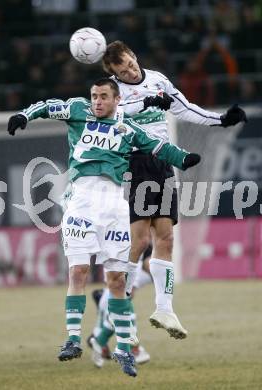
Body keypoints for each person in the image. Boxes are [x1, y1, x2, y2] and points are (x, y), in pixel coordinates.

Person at [7, 78, 201, 377]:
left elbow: (157, 145)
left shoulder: (127, 127)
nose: (96, 101)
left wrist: (183, 158)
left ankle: (124, 349)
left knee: (117, 280)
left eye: (103, 97)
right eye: (94, 96)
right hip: (81, 201)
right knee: (79, 270)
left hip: (113, 205)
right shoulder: (76, 110)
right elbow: (46, 106)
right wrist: (24, 115)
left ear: (116, 100)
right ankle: (72, 339)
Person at [102, 41, 247, 340]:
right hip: (135, 162)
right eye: (123, 71)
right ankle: (116, 300)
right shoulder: (112, 90)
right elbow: (109, 114)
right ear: (114, 74)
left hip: (163, 163)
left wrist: (220, 120)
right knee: (140, 240)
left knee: (165, 237)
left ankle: (164, 309)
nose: (130, 72)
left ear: (134, 55)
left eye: (130, 64)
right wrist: (147, 103)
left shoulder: (157, 80)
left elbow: (183, 108)